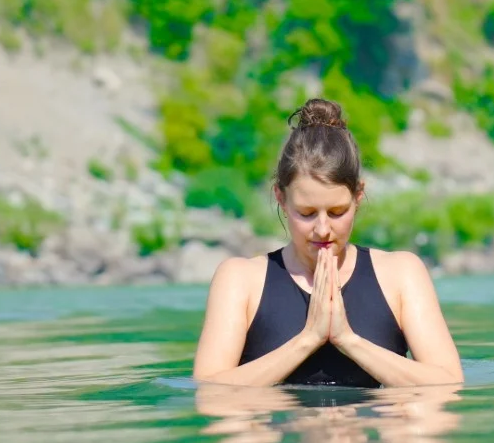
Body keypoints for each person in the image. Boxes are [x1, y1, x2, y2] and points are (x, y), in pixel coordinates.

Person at [192, 98, 464, 388]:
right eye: (307, 214)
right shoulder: (240, 279)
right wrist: (308, 339)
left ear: (358, 197)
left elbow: (447, 382)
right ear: (281, 198)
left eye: (337, 212)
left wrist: (348, 339)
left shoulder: (401, 274)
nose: (323, 229)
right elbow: (209, 390)